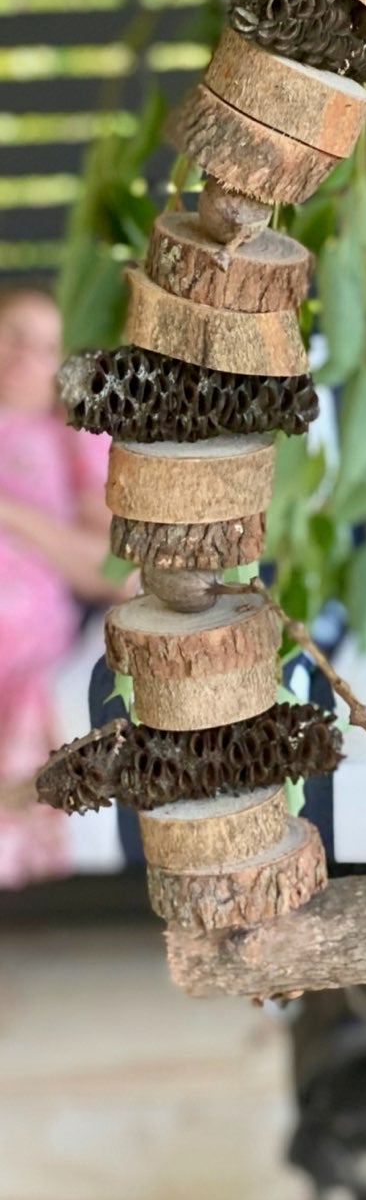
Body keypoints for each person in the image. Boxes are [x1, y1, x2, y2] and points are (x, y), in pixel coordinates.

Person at [0, 286, 128, 887]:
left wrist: (9, 512)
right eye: (14, 335)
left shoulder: (66, 435)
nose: (25, 356)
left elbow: (112, 569)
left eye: (45, 345)